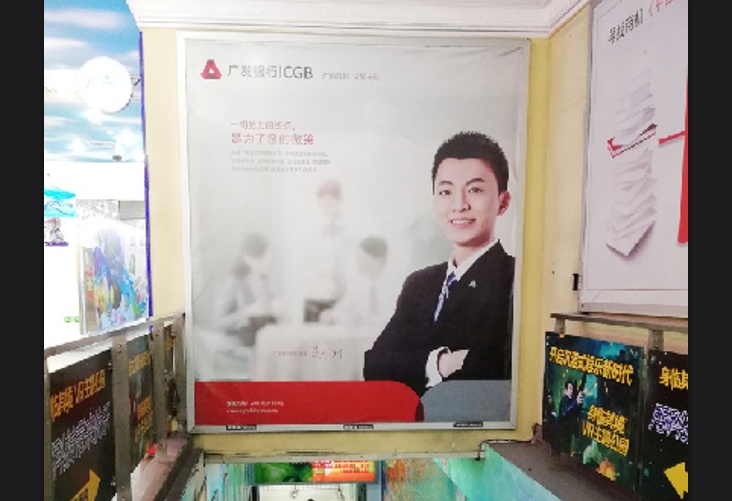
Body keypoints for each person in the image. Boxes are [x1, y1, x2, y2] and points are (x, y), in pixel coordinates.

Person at [362, 131, 515, 397]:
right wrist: (443, 362)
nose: (459, 205)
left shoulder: (514, 278)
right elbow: (374, 365)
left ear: (503, 202)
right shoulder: (420, 283)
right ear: (434, 201)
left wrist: (412, 364)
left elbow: (489, 366)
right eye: (446, 191)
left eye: (475, 190)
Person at [212, 231, 279, 347]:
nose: (269, 262)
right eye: (264, 257)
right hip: (240, 350)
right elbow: (218, 323)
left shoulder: (265, 283)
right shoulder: (233, 284)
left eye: (270, 257)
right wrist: (247, 313)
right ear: (248, 258)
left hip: (265, 346)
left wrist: (276, 313)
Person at [320, 235, 390, 326]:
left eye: (363, 259)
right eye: (358, 259)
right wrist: (333, 315)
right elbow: (339, 311)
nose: (359, 264)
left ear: (379, 260)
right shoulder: (357, 284)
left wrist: (366, 320)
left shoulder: (395, 286)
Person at [557, 378, 585, 454]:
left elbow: (577, 413)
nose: (571, 391)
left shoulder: (572, 400)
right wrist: (576, 402)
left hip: (571, 431)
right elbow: (564, 413)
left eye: (572, 388)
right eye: (570, 388)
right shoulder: (564, 400)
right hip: (564, 431)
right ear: (566, 391)